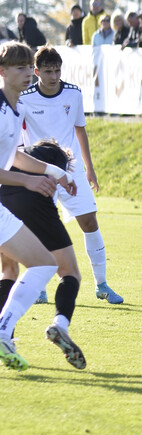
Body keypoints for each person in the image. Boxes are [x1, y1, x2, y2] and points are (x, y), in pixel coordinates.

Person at [0, 41, 80, 372]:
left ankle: (5, 332)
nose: (25, 73)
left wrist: (54, 172)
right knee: (45, 265)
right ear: (2, 72)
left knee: (37, 265)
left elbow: (15, 156)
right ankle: (4, 331)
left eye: (26, 67)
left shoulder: (14, 110)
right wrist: (29, 182)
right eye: (17, 68)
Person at [24, 46, 125, 305]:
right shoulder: (23, 98)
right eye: (48, 71)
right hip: (40, 172)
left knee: (90, 222)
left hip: (71, 169)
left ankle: (101, 285)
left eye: (57, 70)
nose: (54, 76)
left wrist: (89, 168)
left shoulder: (73, 94)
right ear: (37, 72)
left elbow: (81, 131)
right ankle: (40, 288)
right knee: (38, 229)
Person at [0, 141, 87, 369]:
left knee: (8, 270)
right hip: (35, 200)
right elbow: (52, 179)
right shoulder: (57, 157)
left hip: (4, 198)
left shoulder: (21, 150)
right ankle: (60, 324)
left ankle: (5, 336)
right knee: (69, 272)